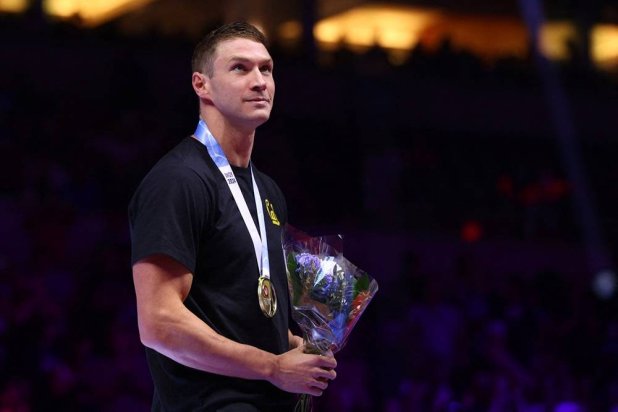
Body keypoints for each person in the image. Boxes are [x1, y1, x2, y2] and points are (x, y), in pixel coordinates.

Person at [128, 22, 337, 411]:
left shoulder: (268, 190)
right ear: (201, 85)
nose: (259, 81)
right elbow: (158, 323)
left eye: (267, 69)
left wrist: (297, 346)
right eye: (240, 68)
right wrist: (272, 366)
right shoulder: (179, 181)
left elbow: (244, 312)